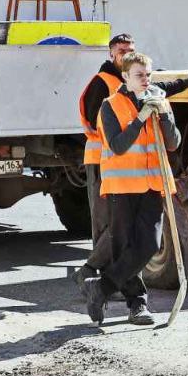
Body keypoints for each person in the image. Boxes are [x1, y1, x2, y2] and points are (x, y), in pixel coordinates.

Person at [84, 52, 188, 326]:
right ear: (125, 77)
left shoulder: (157, 99)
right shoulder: (109, 106)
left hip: (152, 184)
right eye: (139, 75)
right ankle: (137, 304)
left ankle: (100, 287)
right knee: (123, 246)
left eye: (148, 74)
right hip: (122, 186)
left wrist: (163, 115)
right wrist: (141, 117)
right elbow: (118, 145)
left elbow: (172, 142)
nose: (145, 80)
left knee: (150, 244)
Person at [73, 33, 134, 293]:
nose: (126, 54)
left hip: (119, 164)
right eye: (122, 51)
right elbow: (94, 119)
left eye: (130, 50)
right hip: (101, 162)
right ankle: (94, 276)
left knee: (119, 223)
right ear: (111, 54)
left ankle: (97, 277)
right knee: (106, 223)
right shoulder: (103, 82)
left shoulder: (129, 81)